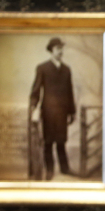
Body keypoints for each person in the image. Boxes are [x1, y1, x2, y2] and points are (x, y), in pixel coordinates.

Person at [29, 37, 76, 180]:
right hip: (48, 112)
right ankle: (49, 170)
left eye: (62, 48)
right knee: (48, 142)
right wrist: (33, 105)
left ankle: (65, 168)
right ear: (51, 51)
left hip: (62, 112)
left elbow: (70, 92)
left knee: (61, 141)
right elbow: (36, 90)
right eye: (57, 48)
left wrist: (72, 111)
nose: (60, 51)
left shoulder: (67, 70)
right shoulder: (42, 68)